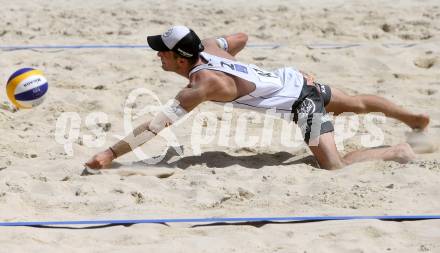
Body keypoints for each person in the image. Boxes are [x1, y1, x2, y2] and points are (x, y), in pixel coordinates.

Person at [85, 25, 429, 170]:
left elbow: (154, 127)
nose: (158, 55)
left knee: (333, 166)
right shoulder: (208, 47)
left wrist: (109, 153)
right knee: (356, 102)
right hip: (292, 79)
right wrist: (222, 50)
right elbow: (241, 37)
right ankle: (415, 120)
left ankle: (396, 150)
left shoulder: (200, 86)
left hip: (301, 103)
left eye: (163, 52)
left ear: (179, 58)